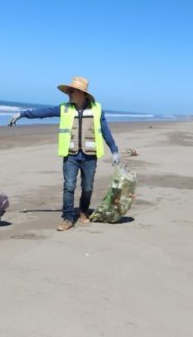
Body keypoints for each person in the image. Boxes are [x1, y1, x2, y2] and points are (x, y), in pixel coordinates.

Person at [8, 76, 120, 231]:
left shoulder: (97, 109)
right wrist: (23, 114)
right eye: (69, 91)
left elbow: (105, 131)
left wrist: (114, 149)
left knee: (87, 187)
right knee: (69, 186)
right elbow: (44, 112)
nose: (69, 93)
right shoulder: (65, 108)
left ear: (81, 93)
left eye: (72, 90)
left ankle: (83, 211)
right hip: (71, 155)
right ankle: (67, 218)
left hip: (90, 155)